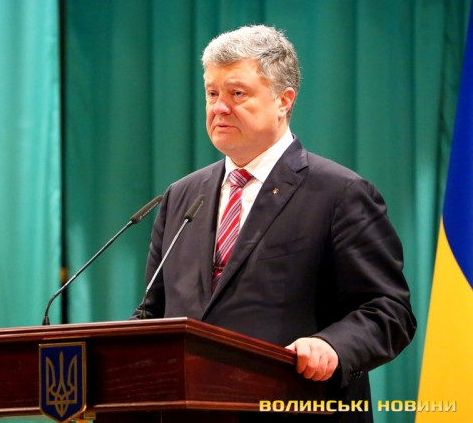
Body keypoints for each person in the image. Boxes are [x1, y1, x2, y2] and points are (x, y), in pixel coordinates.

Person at [132, 25, 416, 422]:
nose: (219, 108)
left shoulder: (340, 193)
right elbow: (153, 313)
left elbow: (389, 311)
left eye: (237, 93)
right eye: (212, 93)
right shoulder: (182, 195)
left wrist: (332, 346)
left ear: (284, 100)